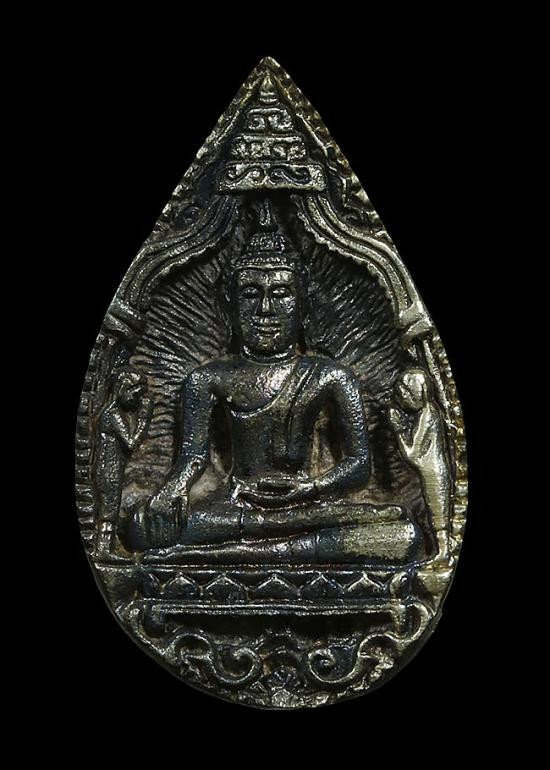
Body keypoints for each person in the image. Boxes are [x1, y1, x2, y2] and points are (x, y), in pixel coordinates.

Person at [140, 230, 418, 564]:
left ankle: (238, 553)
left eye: (281, 293)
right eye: (250, 294)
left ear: (303, 306)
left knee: (404, 534)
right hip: (238, 504)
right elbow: (192, 458)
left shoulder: (330, 376)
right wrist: (172, 488)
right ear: (229, 307)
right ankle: (280, 546)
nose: (265, 309)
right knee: (141, 528)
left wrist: (311, 489)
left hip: (307, 503)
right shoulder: (207, 379)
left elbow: (359, 465)